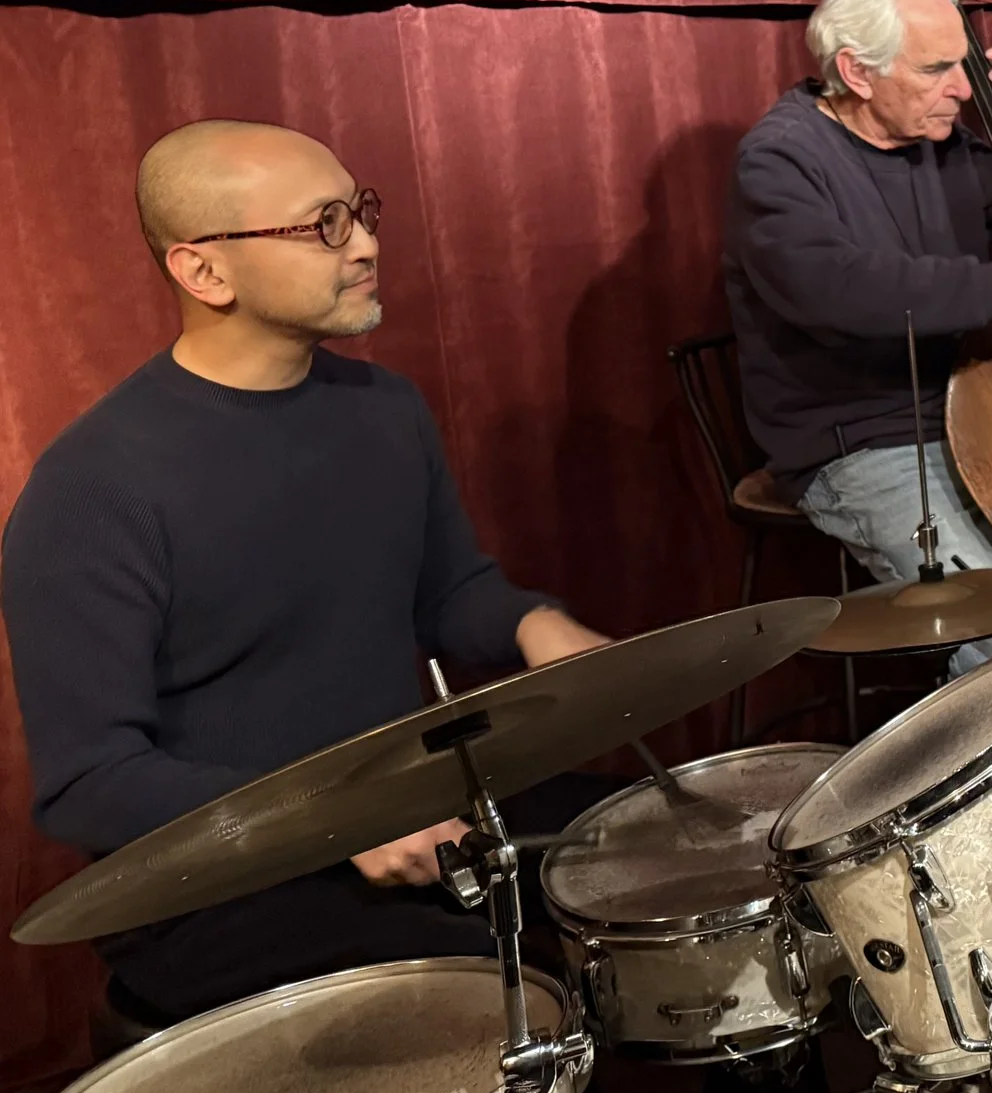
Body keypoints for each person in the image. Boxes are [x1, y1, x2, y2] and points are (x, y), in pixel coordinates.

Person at [3, 121, 613, 1023]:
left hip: (404, 811)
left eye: (360, 211)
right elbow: (90, 780)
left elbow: (448, 593)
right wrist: (336, 815)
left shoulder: (384, 409)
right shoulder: (92, 490)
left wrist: (535, 624)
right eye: (323, 224)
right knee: (500, 989)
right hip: (221, 890)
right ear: (204, 271)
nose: (365, 244)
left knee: (665, 849)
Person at [725, 0, 992, 667]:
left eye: (962, 64)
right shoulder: (779, 160)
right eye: (936, 69)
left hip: (978, 413)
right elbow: (838, 289)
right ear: (856, 72)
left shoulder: (938, 145)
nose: (964, 89)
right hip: (865, 439)